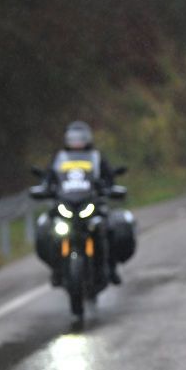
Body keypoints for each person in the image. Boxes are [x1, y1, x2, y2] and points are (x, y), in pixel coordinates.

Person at [35, 121, 122, 285]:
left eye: (80, 139)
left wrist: (110, 187)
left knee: (109, 228)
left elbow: (108, 177)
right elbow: (49, 177)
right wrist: (44, 188)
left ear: (87, 139)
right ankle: (56, 270)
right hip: (66, 204)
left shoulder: (96, 156)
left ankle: (111, 268)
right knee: (48, 232)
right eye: (73, 139)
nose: (77, 143)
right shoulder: (59, 157)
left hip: (90, 204)